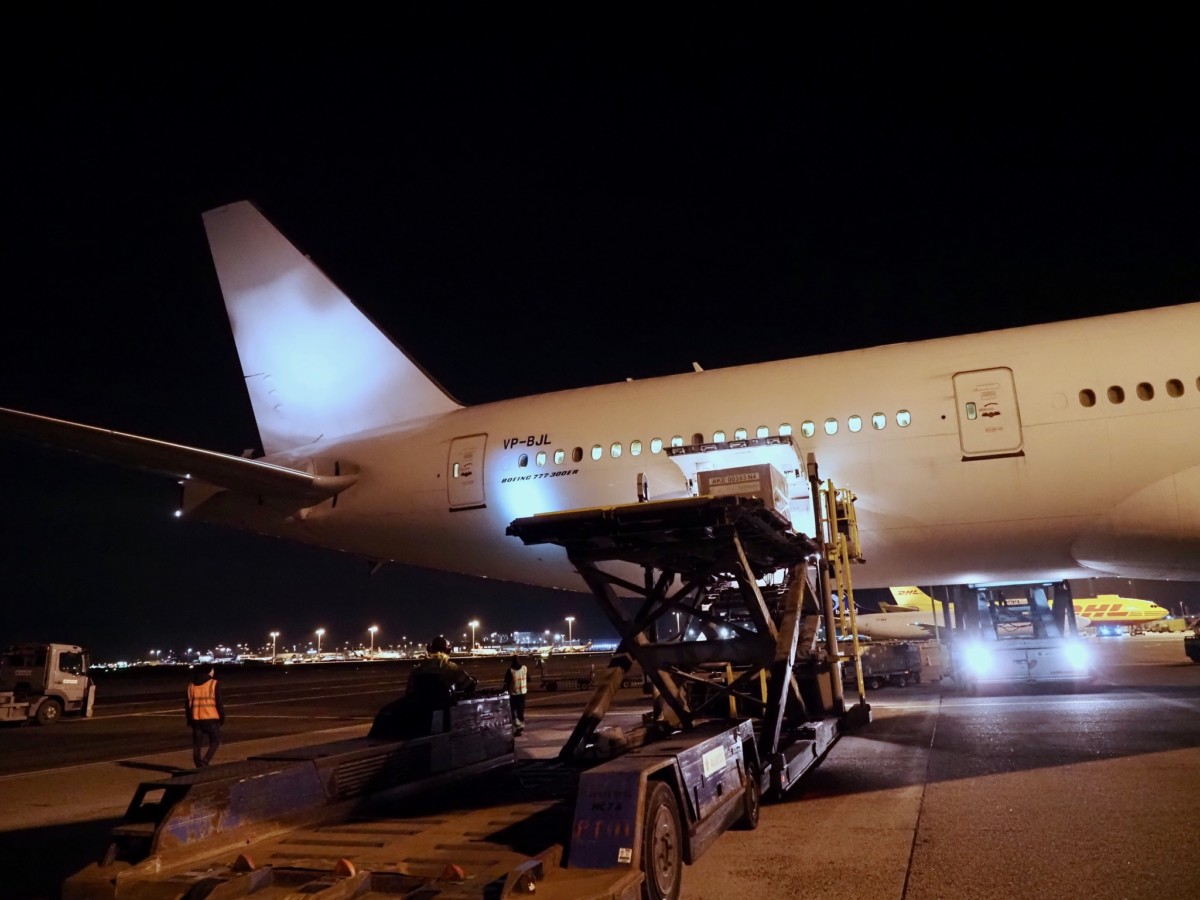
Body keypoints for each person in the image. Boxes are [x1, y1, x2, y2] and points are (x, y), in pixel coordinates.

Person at [405, 636, 477, 698]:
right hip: (443, 710)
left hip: (420, 710)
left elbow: (409, 692)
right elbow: (469, 685)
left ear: (429, 649)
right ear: (447, 650)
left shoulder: (417, 670)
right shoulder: (451, 668)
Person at [185, 666, 225, 768]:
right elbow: (219, 703)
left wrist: (189, 719)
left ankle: (198, 763)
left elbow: (188, 705)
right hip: (210, 717)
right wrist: (222, 717)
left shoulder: (191, 686)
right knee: (215, 740)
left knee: (197, 743)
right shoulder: (213, 683)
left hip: (196, 718)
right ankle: (206, 760)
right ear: (209, 672)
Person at [503, 654, 529, 735]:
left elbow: (506, 682)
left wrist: (504, 691)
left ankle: (518, 727)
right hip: (523, 694)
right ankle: (520, 728)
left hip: (514, 694)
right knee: (520, 712)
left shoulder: (510, 671)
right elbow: (529, 678)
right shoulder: (524, 668)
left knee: (511, 711)